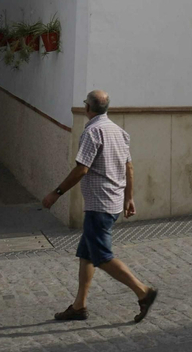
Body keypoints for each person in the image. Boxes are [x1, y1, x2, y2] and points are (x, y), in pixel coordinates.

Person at [44, 90, 158, 323]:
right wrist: (129, 198)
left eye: (85, 103)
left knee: (102, 257)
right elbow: (130, 168)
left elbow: (81, 169)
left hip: (99, 205)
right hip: (113, 202)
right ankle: (79, 306)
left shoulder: (92, 132)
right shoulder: (119, 131)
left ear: (88, 108)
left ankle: (143, 292)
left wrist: (56, 194)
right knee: (86, 254)